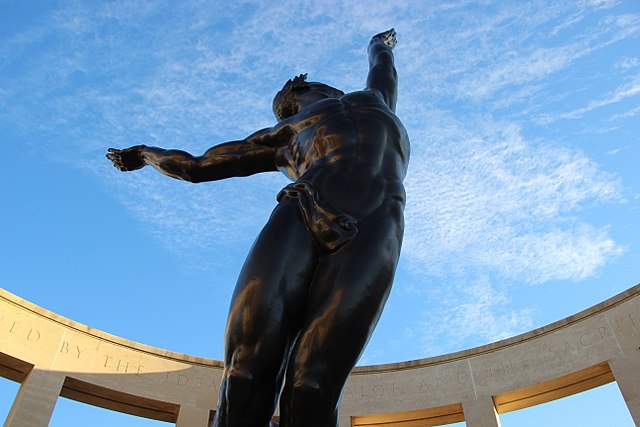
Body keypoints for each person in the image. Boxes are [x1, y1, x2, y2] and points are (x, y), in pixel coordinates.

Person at [107, 28, 409, 427]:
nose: (325, 86)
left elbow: (382, 66)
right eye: (313, 86)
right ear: (293, 99)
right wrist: (145, 155)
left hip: (372, 228)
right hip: (303, 210)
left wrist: (379, 44)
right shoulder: (284, 135)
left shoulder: (373, 101)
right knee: (246, 372)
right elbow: (197, 167)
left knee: (312, 385)